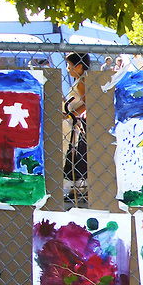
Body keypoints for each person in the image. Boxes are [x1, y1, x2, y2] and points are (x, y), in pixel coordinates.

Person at [63, 52, 90, 207]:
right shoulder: (80, 80)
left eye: (69, 65)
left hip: (79, 122)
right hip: (78, 122)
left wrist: (70, 115)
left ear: (78, 66)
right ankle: (78, 186)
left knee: (79, 152)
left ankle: (79, 186)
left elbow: (87, 103)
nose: (67, 69)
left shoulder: (82, 81)